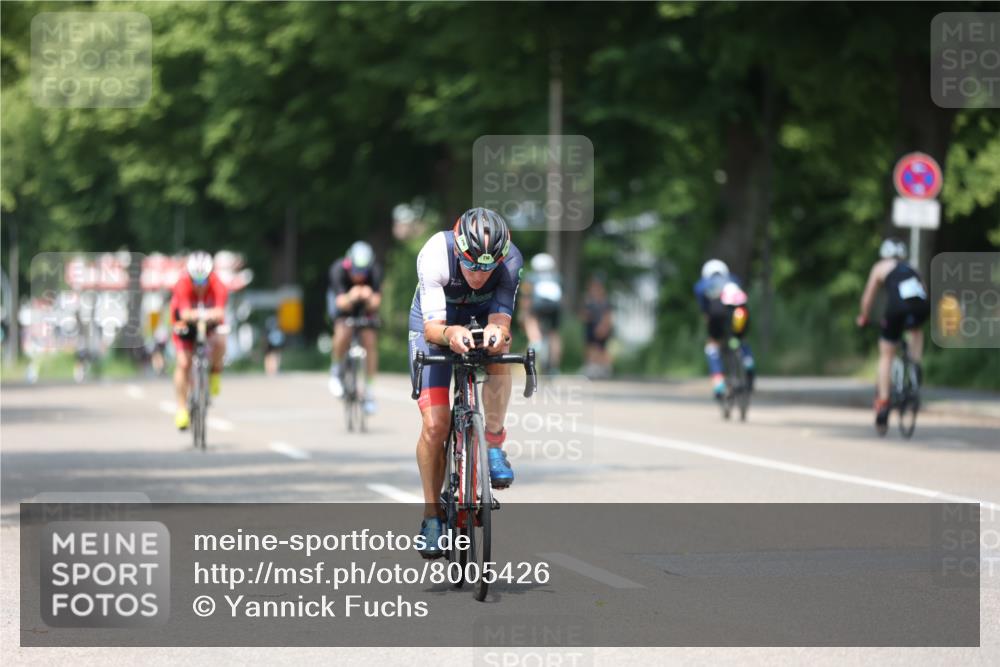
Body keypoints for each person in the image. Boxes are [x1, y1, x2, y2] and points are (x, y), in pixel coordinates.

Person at [408, 207, 523, 558]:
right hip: (435, 324)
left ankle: (493, 443)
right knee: (435, 426)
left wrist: (496, 331)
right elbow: (432, 328)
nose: (478, 274)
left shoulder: (511, 261)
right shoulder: (435, 253)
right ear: (459, 250)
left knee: (501, 346)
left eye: (487, 268)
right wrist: (449, 333)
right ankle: (432, 516)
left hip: (479, 316)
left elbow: (501, 320)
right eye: (472, 264)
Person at [856, 238, 929, 431]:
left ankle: (883, 403)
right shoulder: (912, 268)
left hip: (896, 309)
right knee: (915, 329)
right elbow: (924, 291)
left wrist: (864, 316)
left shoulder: (880, 267)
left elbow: (868, 297)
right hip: (921, 307)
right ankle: (915, 365)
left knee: (887, 353)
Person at [170, 251, 228, 430]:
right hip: (184, 321)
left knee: (220, 342)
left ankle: (215, 372)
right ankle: (181, 409)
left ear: (210, 276)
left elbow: (220, 312)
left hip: (208, 322)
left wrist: (206, 316)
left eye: (204, 280)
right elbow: (185, 313)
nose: (200, 285)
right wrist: (200, 315)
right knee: (184, 362)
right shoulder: (182, 285)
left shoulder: (219, 285)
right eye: (196, 280)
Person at [327, 241, 382, 414]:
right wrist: (352, 296)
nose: (359, 276)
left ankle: (369, 390)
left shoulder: (375, 271)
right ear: (349, 265)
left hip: (364, 307)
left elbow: (376, 303)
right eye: (356, 271)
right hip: (344, 303)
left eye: (363, 272)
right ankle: (336, 370)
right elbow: (341, 303)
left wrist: (368, 297)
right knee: (343, 329)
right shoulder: (338, 270)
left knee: (370, 340)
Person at [693, 259, 755, 398]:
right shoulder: (734, 279)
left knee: (713, 345)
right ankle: (748, 363)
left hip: (716, 313)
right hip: (740, 313)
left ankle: (719, 383)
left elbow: (706, 312)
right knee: (739, 339)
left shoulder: (702, 285)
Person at [520, 253, 563, 373]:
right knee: (554, 334)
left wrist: (524, 312)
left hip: (538, 305)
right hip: (555, 307)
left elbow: (526, 296)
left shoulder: (531, 277)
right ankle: (554, 367)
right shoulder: (557, 277)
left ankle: (535, 339)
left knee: (530, 319)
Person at [581, 274, 613, 378]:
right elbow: (584, 314)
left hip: (601, 328)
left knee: (601, 349)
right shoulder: (589, 301)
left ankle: (605, 369)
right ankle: (592, 368)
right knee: (590, 349)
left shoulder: (604, 301)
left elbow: (607, 316)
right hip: (590, 328)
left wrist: (604, 327)